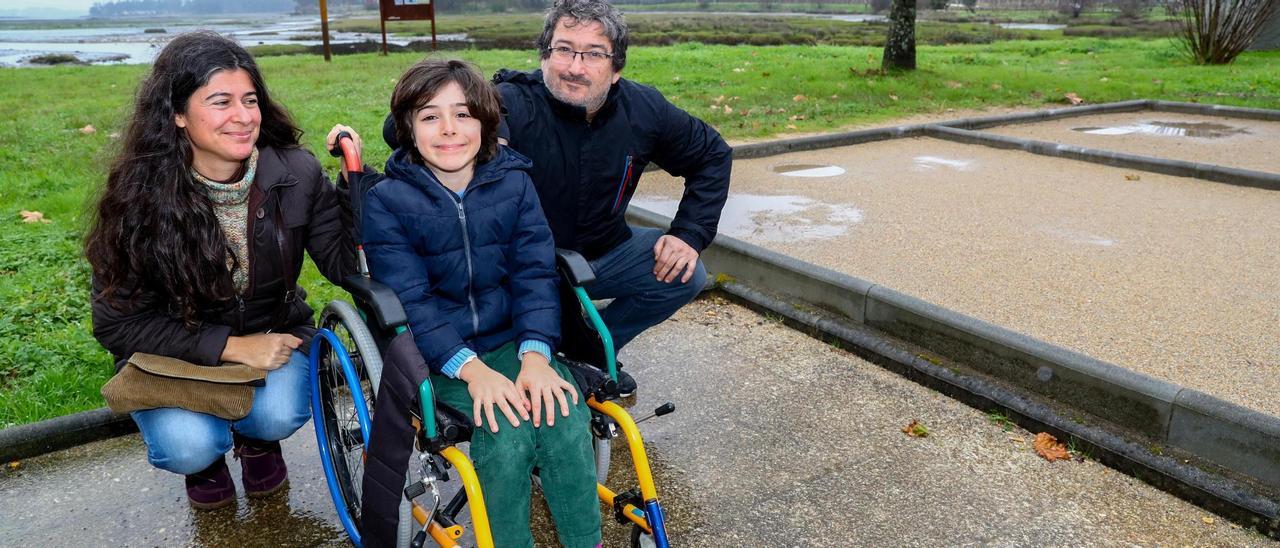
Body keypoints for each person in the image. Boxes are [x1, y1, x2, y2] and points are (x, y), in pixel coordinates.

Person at [85, 31, 355, 510]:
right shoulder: (137, 198)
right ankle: (207, 463)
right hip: (174, 356)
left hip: (272, 335)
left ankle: (257, 440)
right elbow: (118, 323)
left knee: (277, 415)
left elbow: (343, 264)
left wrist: (356, 189)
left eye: (250, 100)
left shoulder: (295, 173)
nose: (244, 117)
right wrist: (232, 347)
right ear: (178, 114)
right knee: (188, 446)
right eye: (220, 101)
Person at [360, 58, 601, 548]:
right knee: (507, 433)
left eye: (464, 114)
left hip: (513, 341)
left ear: (487, 123)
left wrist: (535, 355)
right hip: (438, 357)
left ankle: (585, 540)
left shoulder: (514, 184)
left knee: (563, 414)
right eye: (430, 116)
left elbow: (534, 273)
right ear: (407, 127)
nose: (449, 129)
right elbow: (412, 302)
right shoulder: (387, 201)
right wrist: (472, 371)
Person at [493, 0, 733, 372]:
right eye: (564, 50)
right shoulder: (509, 102)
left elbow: (712, 154)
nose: (575, 68)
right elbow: (406, 128)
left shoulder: (643, 109)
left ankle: (590, 352)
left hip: (603, 252)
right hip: (522, 269)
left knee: (686, 273)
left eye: (593, 55)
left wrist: (689, 233)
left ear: (616, 67)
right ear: (544, 56)